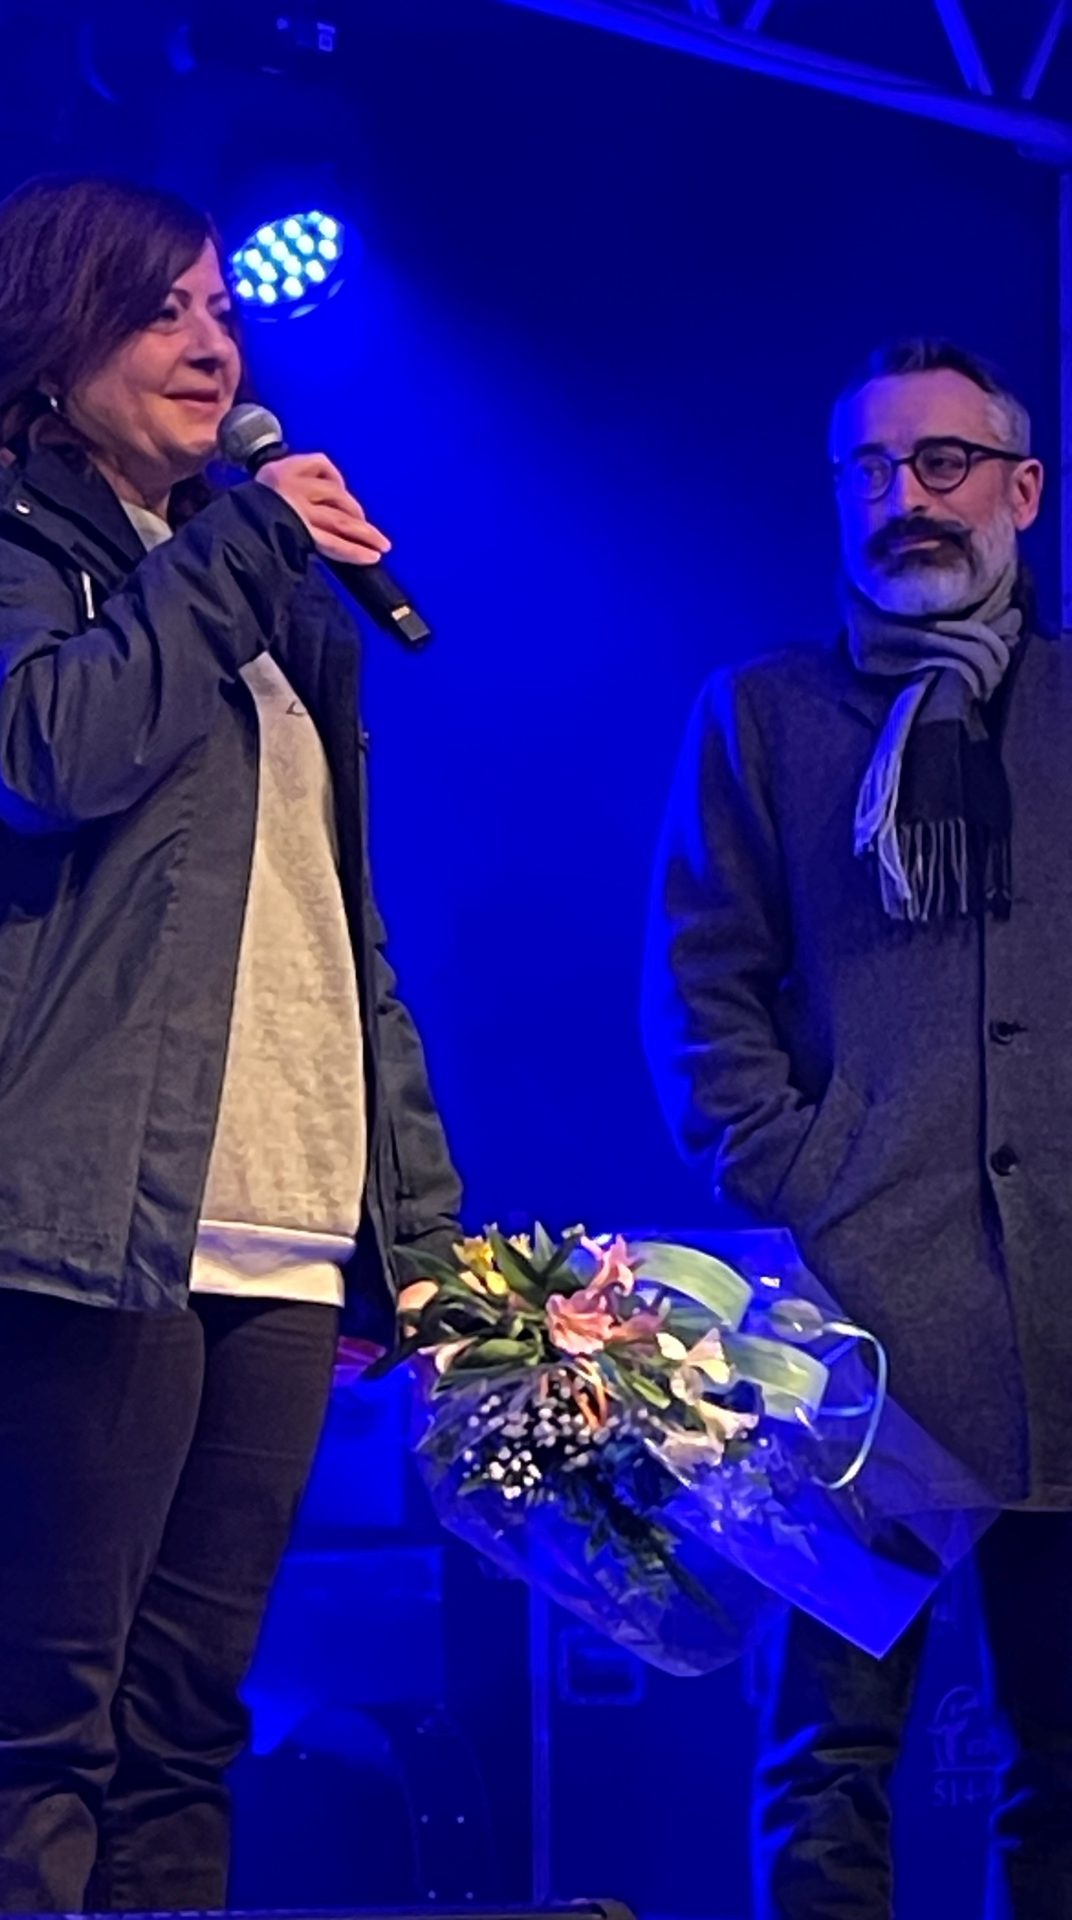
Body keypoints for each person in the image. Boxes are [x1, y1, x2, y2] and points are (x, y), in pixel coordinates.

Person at [0, 173, 462, 1920]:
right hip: (55, 1210)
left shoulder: (262, 597)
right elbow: (46, 750)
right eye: (161, 306)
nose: (211, 339)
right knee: (50, 1726)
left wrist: (409, 1230)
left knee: (189, 1727)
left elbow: (336, 936)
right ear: (46, 334)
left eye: (222, 310)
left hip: (280, 1218)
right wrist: (252, 542)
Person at [642, 338, 1072, 1920]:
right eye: (873, 471)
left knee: (1071, 1766)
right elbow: (701, 994)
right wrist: (805, 1182)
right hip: (848, 1332)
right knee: (828, 1765)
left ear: (1023, 490)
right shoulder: (764, 716)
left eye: (944, 463)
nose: (909, 500)